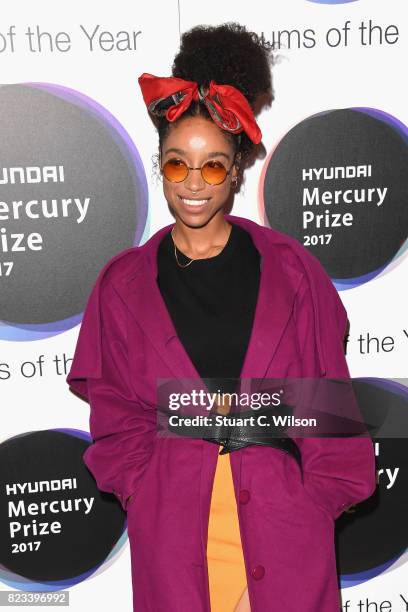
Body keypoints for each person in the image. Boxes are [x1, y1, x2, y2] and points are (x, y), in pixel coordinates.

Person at [66, 23, 376, 612]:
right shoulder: (122, 285)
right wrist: (145, 487)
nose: (192, 183)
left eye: (212, 167)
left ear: (236, 171)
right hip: (174, 533)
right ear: (160, 166)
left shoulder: (293, 273)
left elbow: (328, 403)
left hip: (286, 530)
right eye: (177, 163)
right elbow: (115, 415)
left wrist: (316, 501)